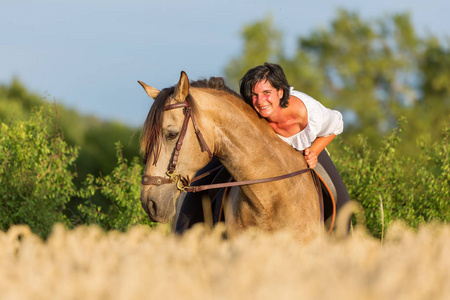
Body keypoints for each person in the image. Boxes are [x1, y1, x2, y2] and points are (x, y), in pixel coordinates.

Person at [239, 62, 350, 220]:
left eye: (266, 93)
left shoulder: (310, 112)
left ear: (280, 92)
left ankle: (341, 242)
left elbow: (337, 125)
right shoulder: (252, 112)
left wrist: (314, 152)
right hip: (271, 157)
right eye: (254, 95)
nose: (260, 101)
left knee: (342, 204)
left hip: (307, 150)